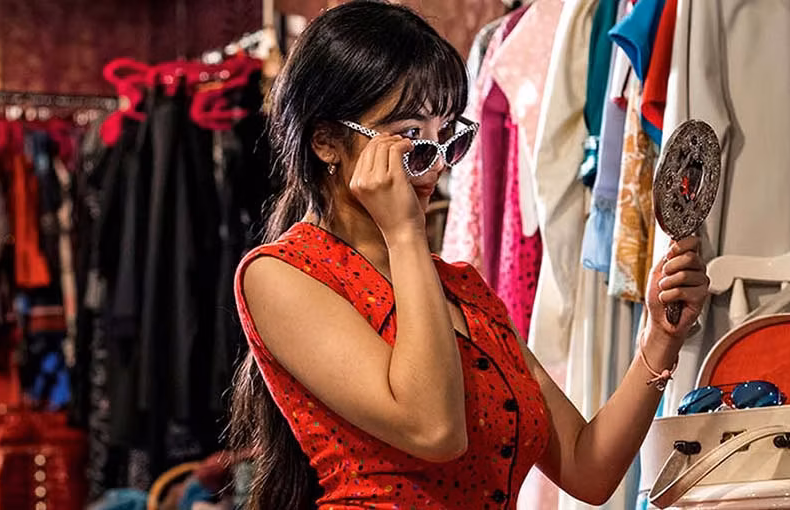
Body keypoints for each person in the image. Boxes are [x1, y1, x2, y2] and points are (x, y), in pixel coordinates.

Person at [227, 1, 710, 508]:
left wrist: (659, 340)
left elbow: (587, 468)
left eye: (445, 137)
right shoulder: (281, 275)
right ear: (326, 141)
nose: (435, 165)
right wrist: (406, 234)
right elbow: (433, 428)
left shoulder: (462, 288)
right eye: (410, 137)